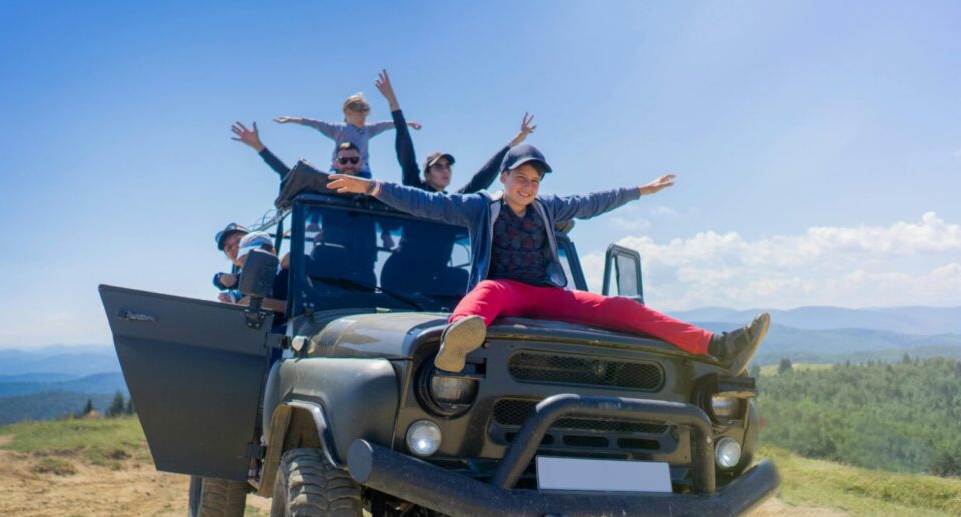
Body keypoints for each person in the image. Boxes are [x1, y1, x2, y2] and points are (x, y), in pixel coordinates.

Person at [327, 144, 770, 375]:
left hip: (545, 294)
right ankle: (454, 345)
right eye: (521, 178)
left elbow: (594, 200)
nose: (528, 186)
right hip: (504, 293)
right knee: (483, 292)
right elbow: (424, 202)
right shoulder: (479, 208)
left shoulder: (548, 208)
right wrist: (370, 187)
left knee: (621, 308)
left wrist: (641, 190)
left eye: (535, 180)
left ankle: (718, 347)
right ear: (505, 179)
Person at [374, 69, 536, 194]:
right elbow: (406, 151)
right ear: (427, 174)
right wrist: (392, 101)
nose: (445, 170)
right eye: (438, 167)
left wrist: (515, 142)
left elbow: (481, 179)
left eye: (447, 166)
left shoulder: (452, 204)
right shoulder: (415, 190)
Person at [275, 92, 421, 178]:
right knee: (327, 184)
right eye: (361, 117)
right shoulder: (338, 129)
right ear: (348, 113)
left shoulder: (367, 129)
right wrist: (290, 119)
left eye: (365, 117)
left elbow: (388, 124)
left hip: (362, 170)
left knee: (368, 189)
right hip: (339, 168)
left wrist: (408, 123)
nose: (363, 120)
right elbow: (314, 123)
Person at [213, 223, 250, 302]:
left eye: (239, 241)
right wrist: (233, 298)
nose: (234, 247)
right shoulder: (242, 280)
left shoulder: (279, 269)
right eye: (229, 247)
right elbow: (217, 278)